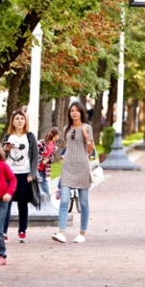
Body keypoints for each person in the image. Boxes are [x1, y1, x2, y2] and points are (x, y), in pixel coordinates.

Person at [52, 102, 96, 244]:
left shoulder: (87, 128)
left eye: (77, 110)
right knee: (64, 200)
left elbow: (91, 151)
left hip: (82, 167)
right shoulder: (66, 129)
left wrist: (86, 137)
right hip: (68, 167)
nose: (74, 113)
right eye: (72, 111)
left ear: (81, 112)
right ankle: (62, 232)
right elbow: (69, 146)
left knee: (83, 202)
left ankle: (82, 233)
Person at [1, 109, 38, 243]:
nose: (19, 121)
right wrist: (5, 150)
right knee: (6, 202)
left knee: (23, 203)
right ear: (12, 121)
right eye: (17, 118)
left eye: (22, 118)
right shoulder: (7, 137)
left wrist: (32, 173)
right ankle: (3, 232)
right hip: (9, 174)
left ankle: (22, 231)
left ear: (25, 121)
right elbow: (1, 156)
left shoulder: (29, 136)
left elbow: (35, 156)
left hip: (24, 173)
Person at [37, 127, 60, 196]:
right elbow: (34, 153)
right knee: (35, 183)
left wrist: (48, 160)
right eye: (57, 135)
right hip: (36, 166)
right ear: (55, 135)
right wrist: (42, 160)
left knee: (44, 183)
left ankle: (46, 198)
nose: (58, 137)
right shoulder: (42, 143)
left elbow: (51, 156)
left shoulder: (54, 144)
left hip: (45, 167)